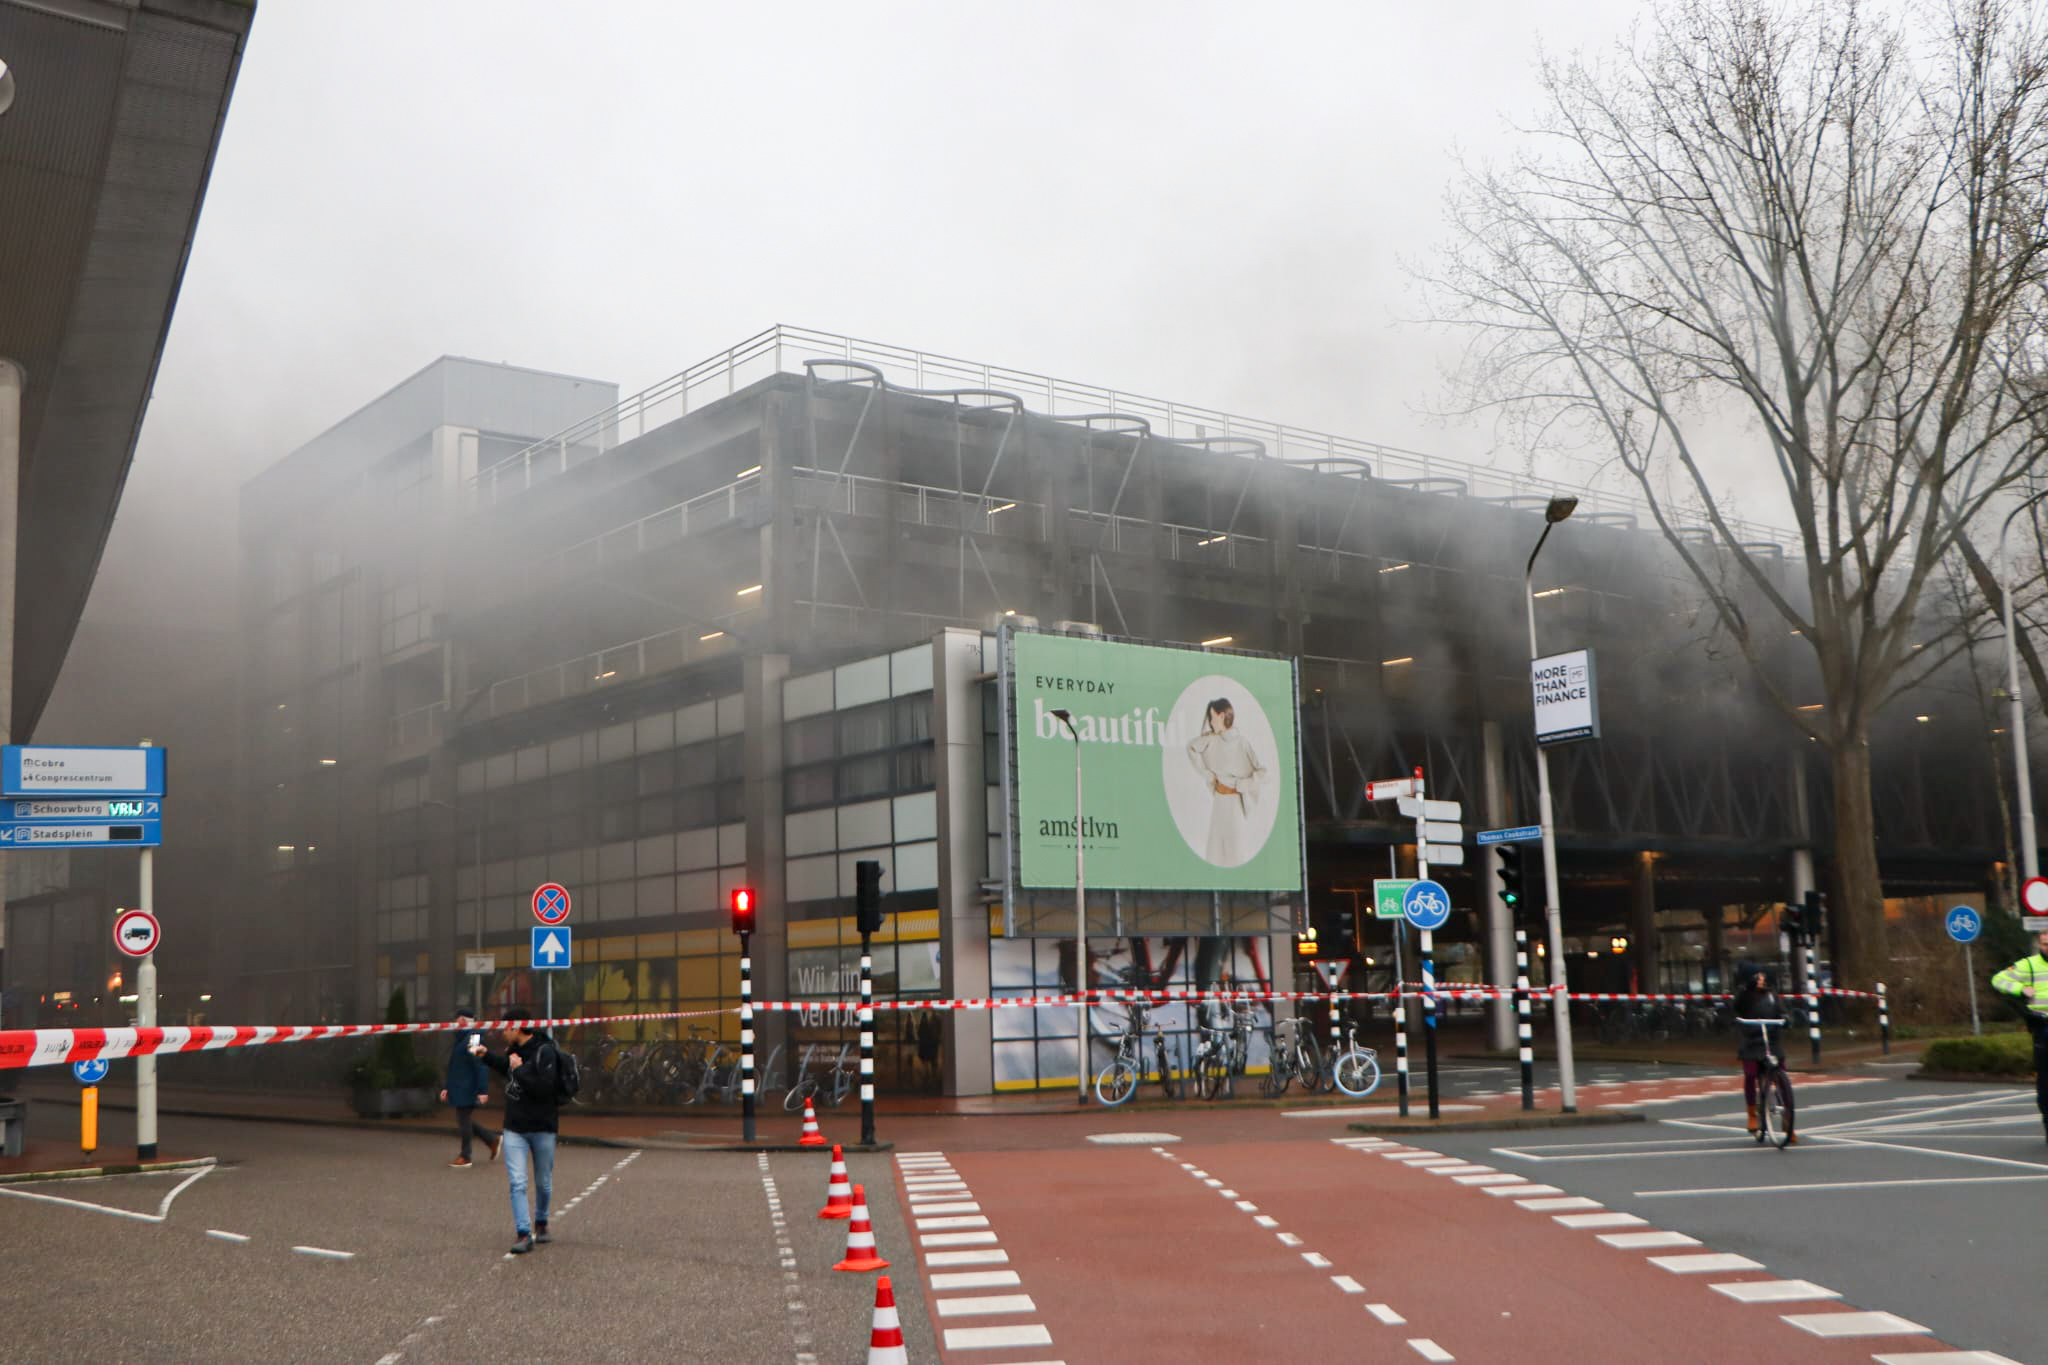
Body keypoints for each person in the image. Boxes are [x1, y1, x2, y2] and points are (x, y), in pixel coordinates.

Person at [473, 1008, 562, 1254]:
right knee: (517, 1182)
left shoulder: (546, 1051)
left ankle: (541, 1222)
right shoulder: (512, 1051)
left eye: (506, 1027)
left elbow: (545, 1087)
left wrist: (519, 1070)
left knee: (543, 1182)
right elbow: (506, 1067)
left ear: (517, 1027)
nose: (503, 1032)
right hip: (514, 1127)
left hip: (543, 1126)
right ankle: (523, 1233)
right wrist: (484, 1055)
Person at [1185, 698, 1269, 866]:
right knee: (1214, 851)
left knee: (1235, 852)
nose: (1210, 722)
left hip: (1235, 804)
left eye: (1212, 717)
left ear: (1221, 716)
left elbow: (1264, 773)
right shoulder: (1212, 740)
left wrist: (1244, 784)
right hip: (1219, 801)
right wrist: (1208, 775)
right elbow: (1192, 747)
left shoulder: (1242, 742)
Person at [1989, 927, 2048, 1143]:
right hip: (2043, 1027)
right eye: (2045, 944)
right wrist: (2020, 989)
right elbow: (1998, 980)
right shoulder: (2029, 965)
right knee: (2045, 1082)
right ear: (2039, 945)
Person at [1731, 966, 1794, 1143]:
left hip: (1771, 1040)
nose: (1761, 980)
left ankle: (1788, 1118)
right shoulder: (1745, 996)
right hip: (1752, 1041)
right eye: (1758, 977)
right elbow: (1737, 1007)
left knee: (1782, 1076)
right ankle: (1752, 1113)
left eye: (1763, 977)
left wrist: (1786, 1018)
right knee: (1751, 1074)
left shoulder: (1772, 995)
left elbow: (1782, 1010)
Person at [439, 1006, 498, 1168]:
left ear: (463, 1020)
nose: (455, 1023)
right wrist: (447, 1087)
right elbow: (454, 1066)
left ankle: (466, 1155)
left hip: (468, 1088)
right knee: (463, 1119)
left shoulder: (473, 1038)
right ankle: (492, 1140)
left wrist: (483, 1090)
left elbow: (480, 1064)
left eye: (457, 1020)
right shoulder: (461, 1039)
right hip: (460, 1087)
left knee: (463, 1119)